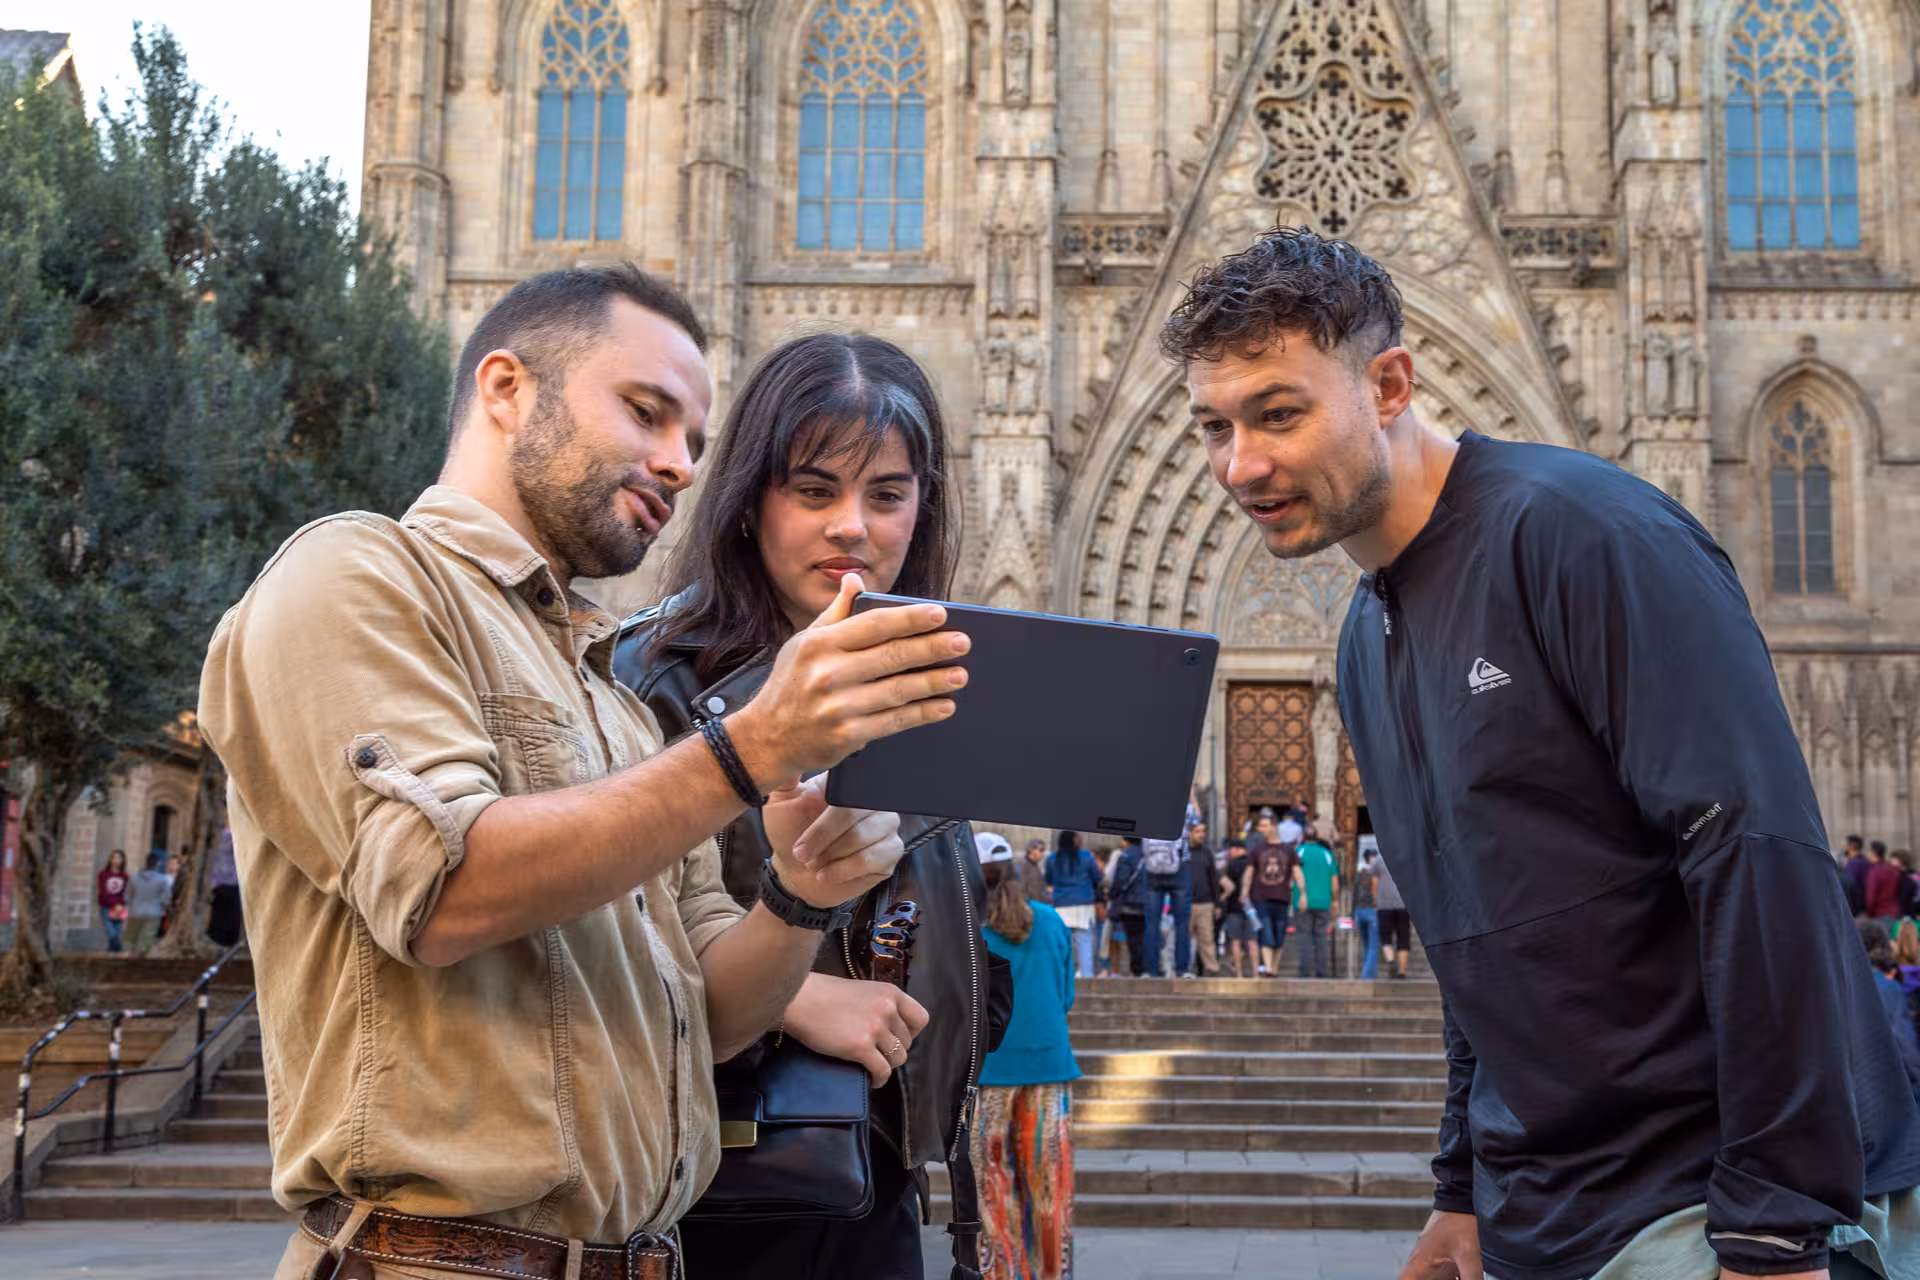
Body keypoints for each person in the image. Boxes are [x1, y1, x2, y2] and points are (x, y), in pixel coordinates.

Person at [1169, 224, 1920, 1279]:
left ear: (1390, 385)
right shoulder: (1365, 639)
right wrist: (1462, 1187)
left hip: (1709, 1204)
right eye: (1214, 425)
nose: (1239, 465)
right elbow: (1474, 936)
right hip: (1552, 1215)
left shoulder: (1582, 533)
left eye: (1279, 413)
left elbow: (1757, 851)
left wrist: (1778, 1218)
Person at [201, 265, 969, 1280]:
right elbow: (439, 888)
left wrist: (799, 894)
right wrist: (751, 747)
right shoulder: (356, 572)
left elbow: (709, 1016)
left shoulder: (613, 698)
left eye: (695, 441)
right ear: (506, 389)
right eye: (646, 412)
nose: (679, 463)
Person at [614, 331, 996, 1280]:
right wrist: (792, 1000)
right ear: (752, 501)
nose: (852, 527)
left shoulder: (927, 680)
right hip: (714, 1181)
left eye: (888, 495)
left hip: (878, 1171)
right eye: (815, 491)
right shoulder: (647, 677)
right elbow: (584, 937)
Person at [971, 834, 1078, 1280]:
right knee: (1050, 1185)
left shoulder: (969, 928)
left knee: (992, 1186)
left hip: (990, 1069)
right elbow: (1066, 995)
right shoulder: (1051, 920)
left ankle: (1003, 1274)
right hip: (1049, 1064)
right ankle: (1052, 1273)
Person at [1045, 830, 1105, 978]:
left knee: (1062, 945)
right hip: (1083, 904)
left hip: (1061, 904)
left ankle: (1061, 978)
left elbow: (1049, 880)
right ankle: (1087, 977)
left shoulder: (1052, 859)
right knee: (1084, 943)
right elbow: (1097, 878)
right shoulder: (1086, 856)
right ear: (1074, 840)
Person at [1139, 829, 1191, 979]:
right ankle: (1182, 969)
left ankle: (1151, 970)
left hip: (1152, 870)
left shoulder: (1146, 816)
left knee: (1151, 923)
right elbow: (1195, 826)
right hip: (1178, 868)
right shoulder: (1183, 813)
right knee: (1182, 923)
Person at [1292, 824, 1339, 978]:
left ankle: (1305, 970)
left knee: (1304, 935)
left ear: (1303, 837)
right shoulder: (1327, 854)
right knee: (1321, 936)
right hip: (1323, 901)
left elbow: (1292, 876)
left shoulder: (1298, 852)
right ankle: (1321, 971)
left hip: (1302, 900)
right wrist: (1335, 900)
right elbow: (1334, 880)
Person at [1249, 828, 1297, 976]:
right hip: (1261, 898)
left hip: (1282, 898)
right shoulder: (1257, 850)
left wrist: (1302, 892)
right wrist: (1245, 891)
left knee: (1279, 935)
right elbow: (1249, 873)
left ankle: (1273, 968)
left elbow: (1296, 871)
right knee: (1266, 932)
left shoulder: (1288, 850)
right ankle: (1269, 968)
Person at [1217, 836, 1259, 979]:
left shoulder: (1231, 865)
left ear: (1235, 849)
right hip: (1252, 907)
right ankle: (1255, 974)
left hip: (1234, 907)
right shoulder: (1253, 864)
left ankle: (1239, 974)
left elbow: (1229, 886)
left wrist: (1222, 898)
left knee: (1235, 942)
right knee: (1252, 941)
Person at [1107, 837, 1149, 977]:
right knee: (1145, 936)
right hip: (1149, 902)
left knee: (1133, 938)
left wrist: (1112, 894)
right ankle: (1147, 968)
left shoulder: (1126, 856)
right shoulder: (1149, 854)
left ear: (1126, 840)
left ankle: (1138, 969)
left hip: (1130, 904)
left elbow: (1121, 879)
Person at [1186, 817, 1220, 976]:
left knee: (1207, 939)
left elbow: (1213, 878)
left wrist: (1216, 903)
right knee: (1184, 939)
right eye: (1197, 831)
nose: (1201, 835)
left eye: (1203, 831)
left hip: (1205, 902)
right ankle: (1183, 969)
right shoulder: (1182, 852)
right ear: (1189, 833)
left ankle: (1212, 969)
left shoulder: (1207, 853)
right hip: (1184, 902)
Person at [124, 851, 173, 957]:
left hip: (135, 912)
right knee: (146, 941)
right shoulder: (162, 880)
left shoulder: (133, 878)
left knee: (130, 939)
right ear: (157, 864)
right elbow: (166, 899)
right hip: (153, 913)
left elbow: (127, 897)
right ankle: (141, 959)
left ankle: (129, 958)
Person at [1374, 848, 1412, 980]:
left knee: (1385, 937)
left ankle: (1391, 961)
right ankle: (1402, 972)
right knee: (1403, 938)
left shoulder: (1379, 859)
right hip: (1404, 904)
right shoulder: (1408, 859)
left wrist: (1376, 899)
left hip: (1384, 905)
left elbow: (1375, 882)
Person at [205, 828, 244, 948]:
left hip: (217, 883)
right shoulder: (234, 835)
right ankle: (227, 941)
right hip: (232, 883)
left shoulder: (217, 835)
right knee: (231, 915)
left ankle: (217, 939)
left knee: (218, 915)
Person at [1353, 842, 1381, 981]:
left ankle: (1368, 971)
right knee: (1373, 946)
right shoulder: (1378, 873)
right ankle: (1368, 975)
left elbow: (1354, 894)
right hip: (1372, 911)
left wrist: (1352, 914)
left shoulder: (1360, 874)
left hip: (1359, 911)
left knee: (1366, 944)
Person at [1868, 840, 1905, 927]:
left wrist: (1869, 913)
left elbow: (1871, 897)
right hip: (1896, 913)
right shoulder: (1893, 870)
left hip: (1881, 914)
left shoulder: (1875, 871)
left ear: (1874, 852)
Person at [1020, 838, 1053, 903]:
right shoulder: (1023, 867)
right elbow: (1022, 890)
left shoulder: (1035, 866)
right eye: (1041, 850)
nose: (1043, 854)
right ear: (1031, 850)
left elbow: (1040, 888)